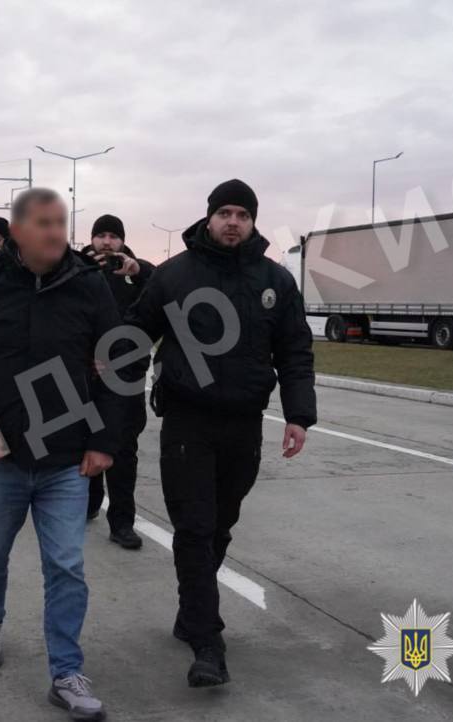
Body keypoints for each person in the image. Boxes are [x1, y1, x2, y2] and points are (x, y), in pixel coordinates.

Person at [0, 188, 122, 721]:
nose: (55, 233)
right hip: (0, 459)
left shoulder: (88, 285)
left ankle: (66, 673)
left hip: (67, 460)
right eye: (43, 223)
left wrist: (104, 441)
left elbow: (117, 364)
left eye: (60, 222)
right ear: (17, 232)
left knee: (67, 565)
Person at [124, 179, 316, 687]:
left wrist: (298, 415)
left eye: (243, 215)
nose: (233, 222)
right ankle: (208, 642)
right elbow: (133, 335)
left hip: (244, 424)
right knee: (194, 527)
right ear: (208, 218)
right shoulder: (175, 275)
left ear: (252, 222)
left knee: (221, 524)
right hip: (187, 421)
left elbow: (295, 351)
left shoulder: (276, 281)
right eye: (225, 213)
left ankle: (192, 613)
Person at [79, 214, 154, 550]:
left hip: (126, 378)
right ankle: (89, 503)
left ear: (122, 240)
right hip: (85, 377)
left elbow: (165, 292)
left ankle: (122, 522)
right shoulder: (77, 268)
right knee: (85, 443)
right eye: (101, 235)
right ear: (92, 238)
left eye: (113, 236)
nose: (107, 242)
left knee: (124, 452)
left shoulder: (136, 273)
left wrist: (139, 272)